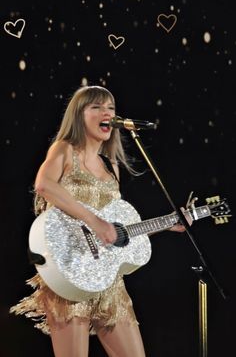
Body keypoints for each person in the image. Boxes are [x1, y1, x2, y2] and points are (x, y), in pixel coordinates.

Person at [10, 85, 188, 357]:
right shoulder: (64, 150)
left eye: (111, 108)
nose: (107, 113)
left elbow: (115, 232)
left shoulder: (111, 165)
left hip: (109, 282)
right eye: (97, 107)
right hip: (69, 271)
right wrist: (94, 222)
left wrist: (165, 224)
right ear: (78, 116)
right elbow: (44, 185)